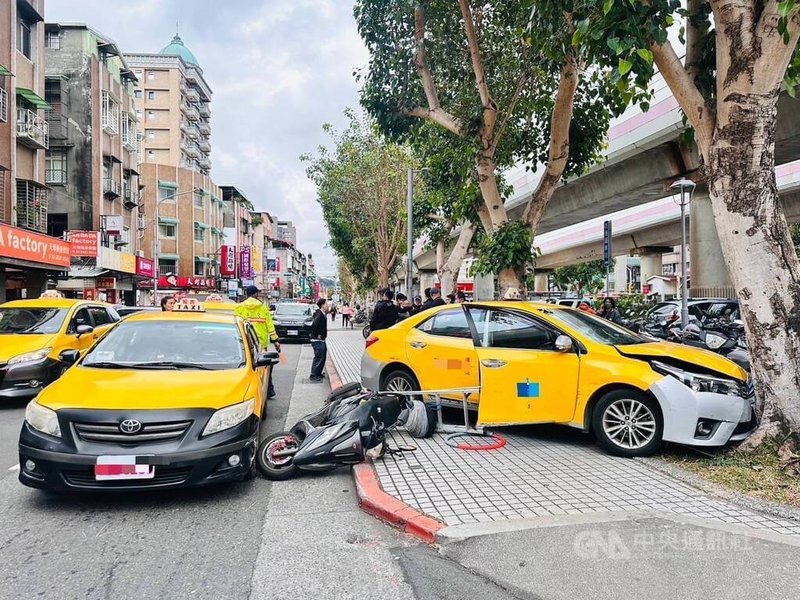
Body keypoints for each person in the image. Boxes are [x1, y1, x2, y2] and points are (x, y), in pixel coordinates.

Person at [234, 286, 281, 398]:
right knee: (264, 367)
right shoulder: (263, 308)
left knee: (247, 367)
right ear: (256, 294)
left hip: (244, 343)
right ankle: (268, 390)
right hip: (260, 343)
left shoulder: (239, 307)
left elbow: (235, 324)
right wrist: (275, 341)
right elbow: (270, 326)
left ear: (246, 294)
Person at [310, 298, 329, 382]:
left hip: (321, 340)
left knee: (322, 357)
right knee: (318, 357)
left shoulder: (322, 313)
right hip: (317, 340)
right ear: (322, 305)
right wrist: (317, 335)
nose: (327, 305)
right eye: (326, 304)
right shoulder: (319, 314)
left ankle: (318, 373)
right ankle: (314, 374)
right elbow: (314, 325)